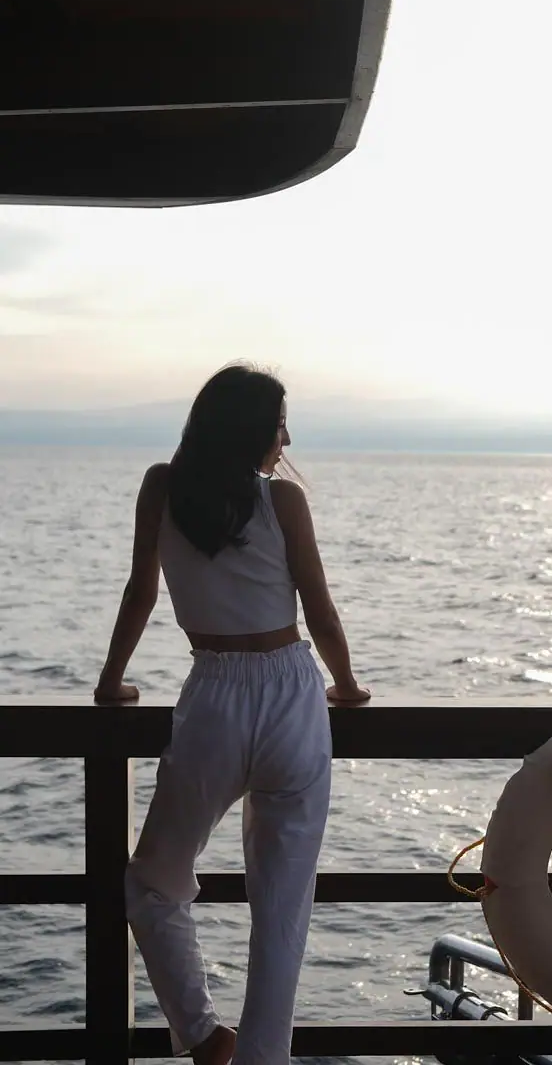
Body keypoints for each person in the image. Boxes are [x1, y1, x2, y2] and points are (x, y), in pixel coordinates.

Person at [93, 362, 370, 1065]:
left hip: (214, 695)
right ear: (249, 431)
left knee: (153, 884)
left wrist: (110, 681)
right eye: (280, 425)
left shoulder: (162, 487)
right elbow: (320, 609)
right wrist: (346, 685)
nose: (286, 439)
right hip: (292, 694)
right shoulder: (283, 502)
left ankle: (204, 1037)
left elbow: (140, 592)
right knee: (282, 908)